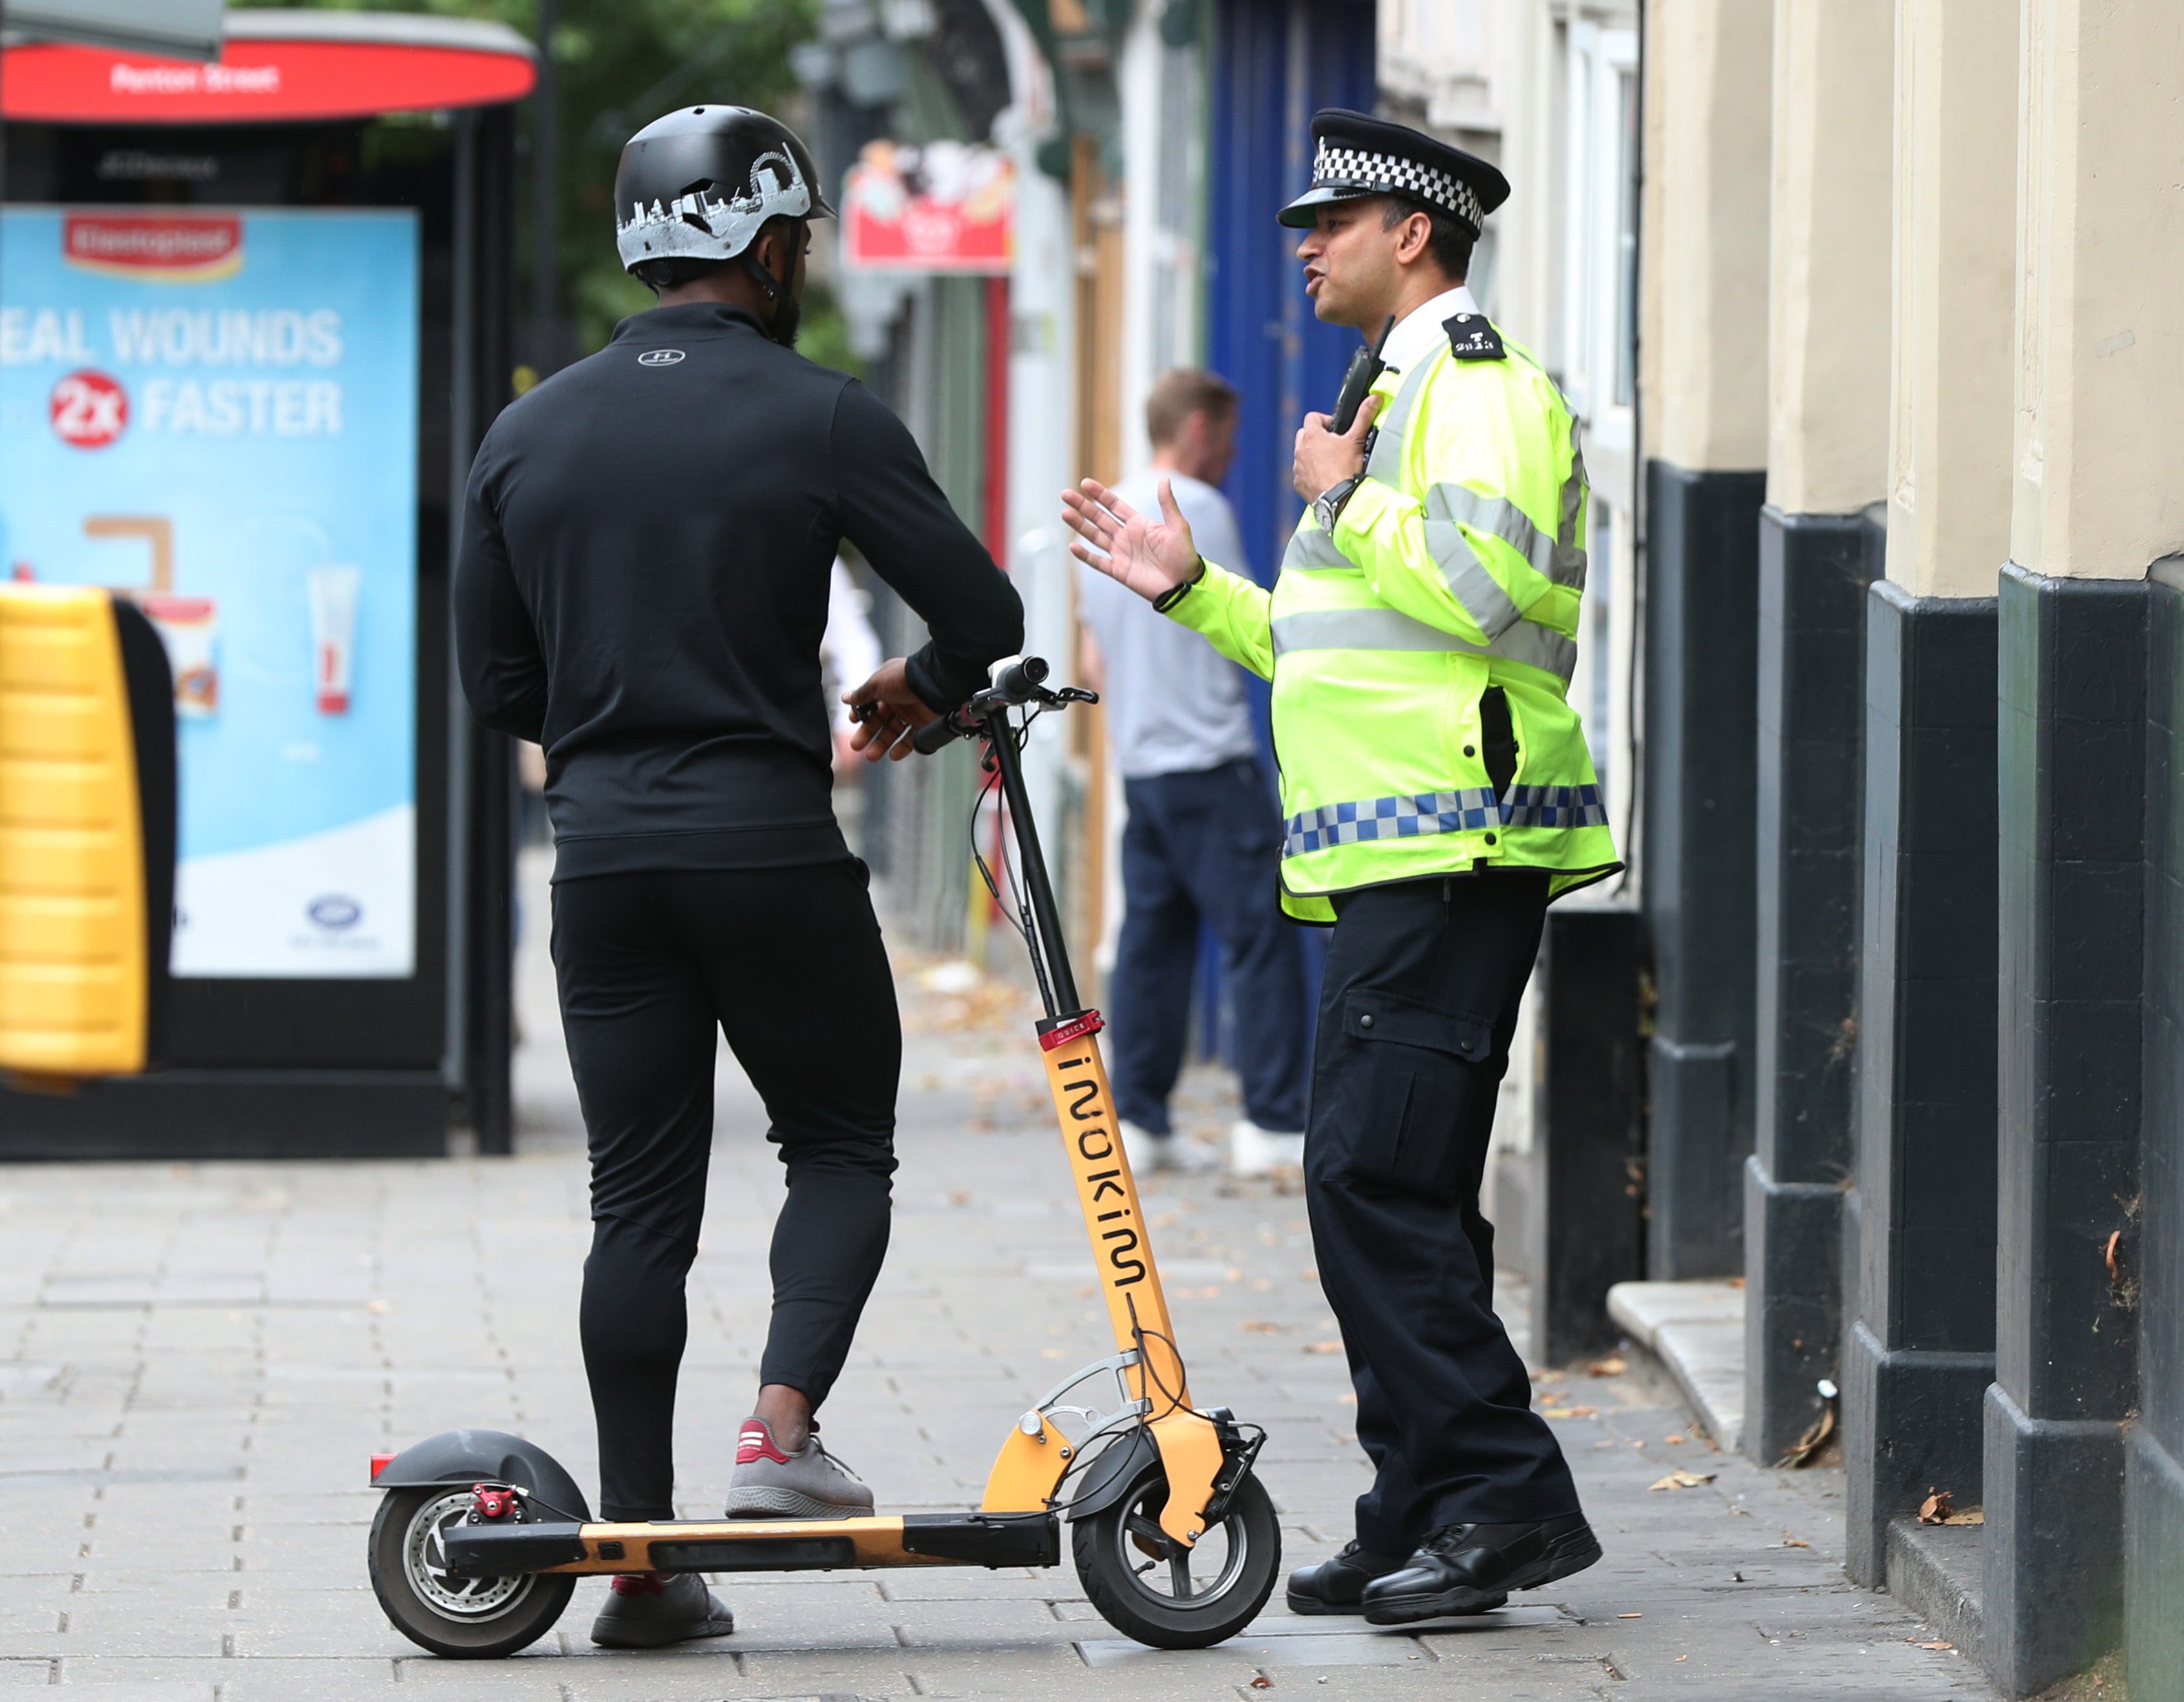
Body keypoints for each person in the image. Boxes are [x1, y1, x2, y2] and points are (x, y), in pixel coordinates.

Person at [455, 105, 1021, 1649]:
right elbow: (984, 608)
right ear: (765, 243)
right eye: (801, 242)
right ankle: (776, 1437)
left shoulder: (528, 433)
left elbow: (495, 680)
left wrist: (605, 723)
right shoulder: (820, 415)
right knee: (838, 1135)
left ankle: (642, 1567)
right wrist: (914, 683)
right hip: (769, 846)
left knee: (634, 1204)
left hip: (607, 861)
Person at [1061, 109, 1618, 1627]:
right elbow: (1331, 640)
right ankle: (1422, 1498)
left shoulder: (1478, 381)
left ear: (1411, 236)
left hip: (1458, 836)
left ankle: (1499, 1498)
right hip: (1403, 851)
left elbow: (1487, 584)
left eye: (1331, 221)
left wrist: (1336, 499)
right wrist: (1193, 596)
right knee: (1398, 1186)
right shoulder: (1385, 392)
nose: (1304, 245)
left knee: (1367, 1177)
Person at [1076, 370, 1309, 1177]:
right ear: (1200, 427)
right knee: (1262, 940)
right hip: (1211, 760)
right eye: (1231, 431)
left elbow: (1090, 657)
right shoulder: (1194, 509)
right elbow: (1246, 619)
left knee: (1152, 944)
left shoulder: (1107, 512)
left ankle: (1139, 1121)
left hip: (1142, 765)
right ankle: (1272, 1125)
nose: (1237, 449)